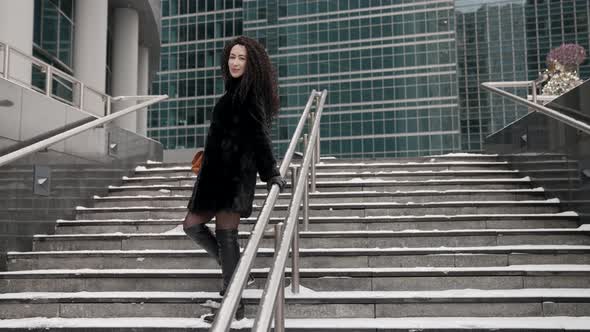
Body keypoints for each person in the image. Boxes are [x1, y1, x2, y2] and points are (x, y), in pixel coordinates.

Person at [182, 36, 286, 322]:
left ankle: (233, 301)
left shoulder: (249, 95)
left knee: (227, 236)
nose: (235, 62)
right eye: (232, 57)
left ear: (251, 63)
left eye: (241, 58)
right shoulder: (231, 92)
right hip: (214, 177)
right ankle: (239, 274)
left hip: (235, 178)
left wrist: (271, 172)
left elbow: (259, 136)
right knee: (191, 225)